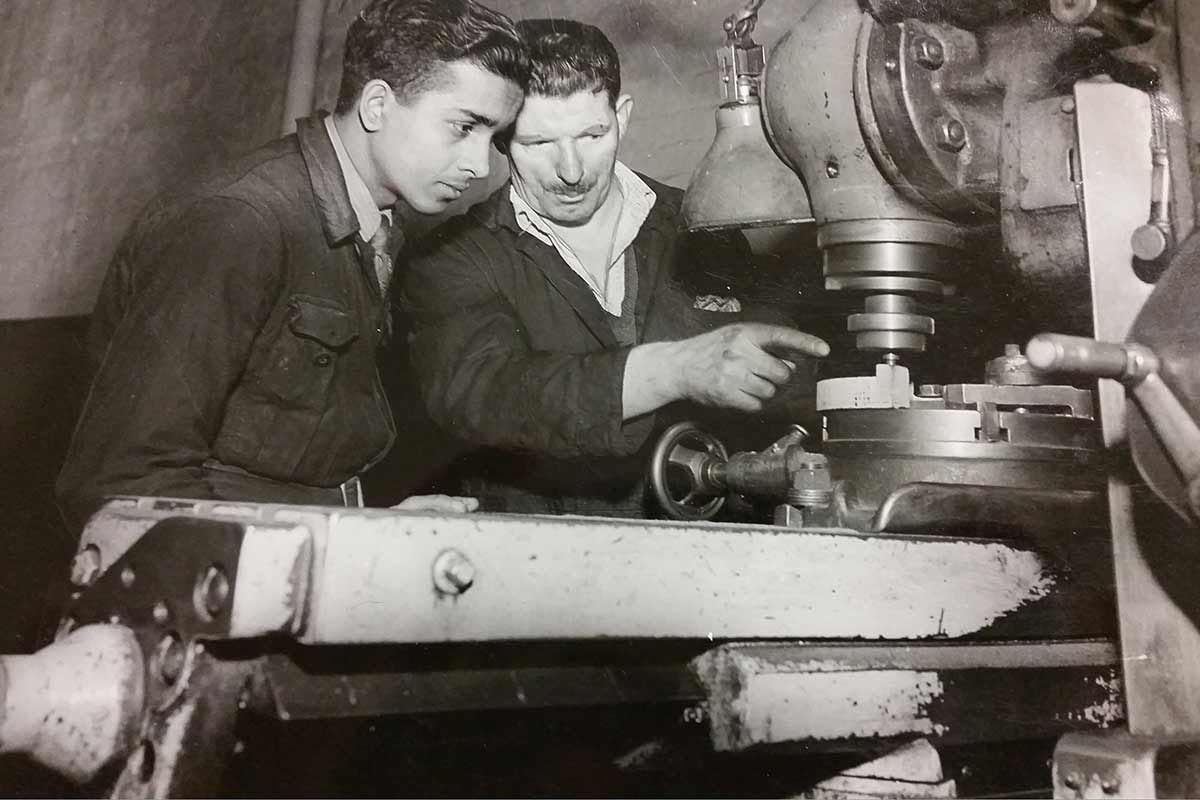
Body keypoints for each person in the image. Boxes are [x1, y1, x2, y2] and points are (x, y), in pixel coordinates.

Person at [55, 0, 528, 533]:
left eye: (494, 139)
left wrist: (371, 530)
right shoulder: (240, 221)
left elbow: (280, 466)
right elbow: (125, 481)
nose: (480, 166)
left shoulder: (379, 224)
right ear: (377, 106)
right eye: (464, 127)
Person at [402, 18, 829, 518]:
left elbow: (788, 372)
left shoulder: (703, 224)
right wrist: (673, 370)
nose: (571, 171)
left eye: (592, 134)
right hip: (543, 549)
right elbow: (484, 394)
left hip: (701, 538)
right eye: (539, 144)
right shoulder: (453, 257)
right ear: (501, 139)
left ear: (621, 117)